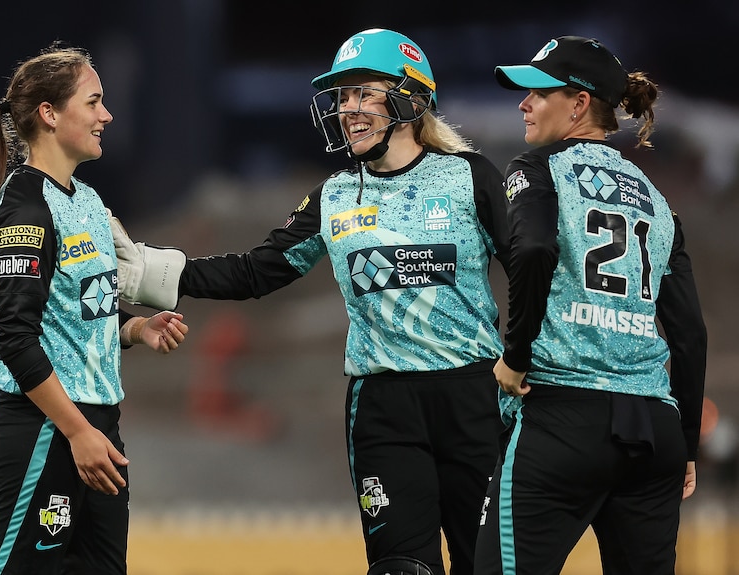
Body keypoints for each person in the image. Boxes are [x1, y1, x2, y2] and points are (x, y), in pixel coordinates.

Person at [110, 28, 510, 575]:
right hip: (382, 408)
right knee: (400, 570)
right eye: (343, 96)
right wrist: (155, 274)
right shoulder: (334, 195)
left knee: (488, 566)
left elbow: (532, 272)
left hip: (475, 398)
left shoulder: (472, 177)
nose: (348, 109)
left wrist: (536, 363)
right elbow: (257, 270)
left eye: (364, 92)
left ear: (410, 98)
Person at [0, 43, 189, 575]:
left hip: (99, 424)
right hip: (47, 428)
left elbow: (76, 311)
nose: (107, 115)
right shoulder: (24, 211)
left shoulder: (86, 201)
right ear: (50, 114)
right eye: (94, 102)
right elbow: (14, 336)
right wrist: (77, 431)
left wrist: (134, 328)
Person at [473, 36, 707, 574]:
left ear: (579, 104)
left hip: (563, 417)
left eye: (538, 91)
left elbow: (532, 248)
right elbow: (690, 333)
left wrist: (516, 355)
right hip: (654, 432)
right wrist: (687, 442)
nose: (523, 103)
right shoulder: (658, 199)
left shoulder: (535, 169)